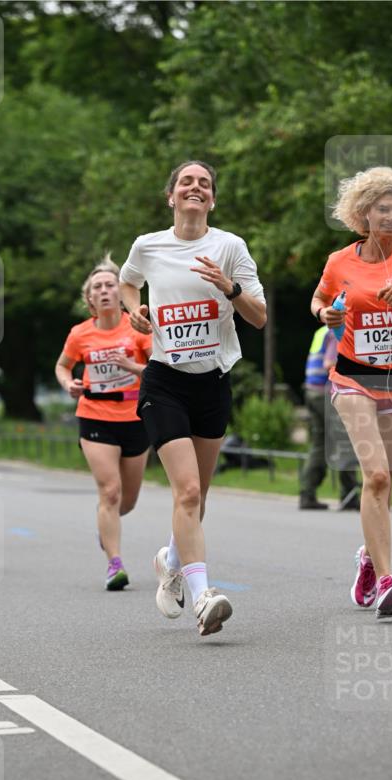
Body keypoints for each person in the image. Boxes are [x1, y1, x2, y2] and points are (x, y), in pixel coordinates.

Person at [119, 160, 266, 635]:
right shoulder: (148, 245)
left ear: (213, 199)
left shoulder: (229, 247)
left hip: (213, 382)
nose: (195, 188)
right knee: (186, 490)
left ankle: (170, 560)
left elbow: (259, 317)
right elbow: (127, 282)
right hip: (164, 381)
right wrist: (133, 312)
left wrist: (230, 288)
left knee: (197, 497)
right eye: (187, 182)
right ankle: (203, 595)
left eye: (205, 184)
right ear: (171, 196)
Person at [311, 167, 392, 617]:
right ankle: (388, 579)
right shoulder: (339, 261)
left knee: (382, 487)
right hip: (352, 379)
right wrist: (325, 314)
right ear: (363, 213)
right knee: (378, 477)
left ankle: (368, 558)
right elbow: (320, 300)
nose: (390, 217)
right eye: (382, 209)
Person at [55, 255, 152, 591]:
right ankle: (115, 563)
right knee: (109, 492)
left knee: (127, 501)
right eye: (98, 287)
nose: (105, 290)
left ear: (121, 292)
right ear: (90, 299)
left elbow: (157, 370)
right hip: (95, 415)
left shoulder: (138, 327)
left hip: (136, 417)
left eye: (111, 284)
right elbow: (63, 366)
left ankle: (105, 526)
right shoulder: (79, 334)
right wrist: (69, 383)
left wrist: (130, 366)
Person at [299, 324, 359, 510]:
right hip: (326, 393)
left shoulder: (322, 330)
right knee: (345, 441)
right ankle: (349, 495)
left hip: (312, 391)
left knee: (320, 443)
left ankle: (307, 494)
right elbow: (330, 363)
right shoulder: (335, 332)